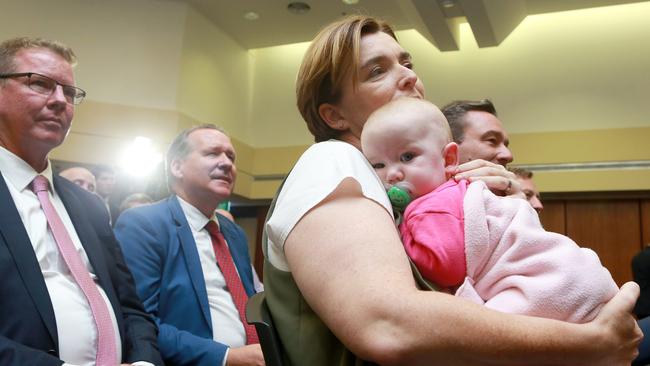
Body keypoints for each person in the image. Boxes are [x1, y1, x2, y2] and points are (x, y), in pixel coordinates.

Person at [262, 15, 641, 365]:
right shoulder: (333, 160)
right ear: (334, 115)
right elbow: (388, 324)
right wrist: (590, 341)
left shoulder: (405, 189)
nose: (409, 77)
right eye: (377, 71)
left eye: (407, 64)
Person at [361, 97, 617, 323]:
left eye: (407, 157)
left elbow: (446, 267)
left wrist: (400, 234)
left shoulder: (430, 207)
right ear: (455, 155)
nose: (392, 174)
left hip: (551, 283)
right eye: (378, 165)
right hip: (576, 280)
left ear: (447, 158)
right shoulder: (454, 196)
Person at [0, 37, 162, 365]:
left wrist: (144, 361)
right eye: (41, 84)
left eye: (70, 92)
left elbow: (131, 307)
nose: (60, 101)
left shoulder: (87, 205)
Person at [115, 124, 264, 366]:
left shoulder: (233, 234)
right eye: (212, 153)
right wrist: (226, 357)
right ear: (177, 166)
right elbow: (139, 322)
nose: (227, 163)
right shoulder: (144, 224)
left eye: (231, 156)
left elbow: (249, 303)